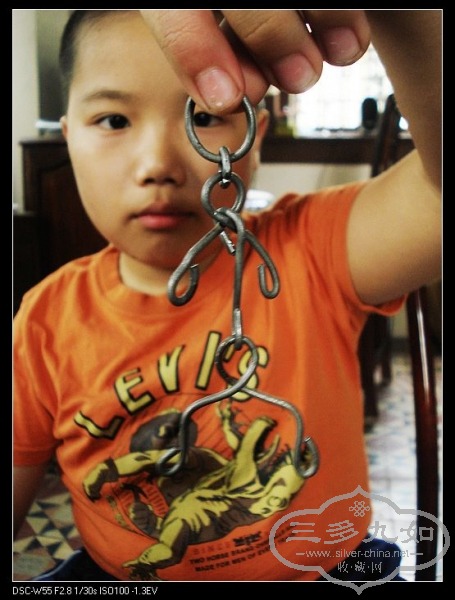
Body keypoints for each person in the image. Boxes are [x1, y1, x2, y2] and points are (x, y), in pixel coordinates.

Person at [13, 9, 441, 583]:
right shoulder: (44, 324)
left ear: (254, 138)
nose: (158, 165)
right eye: (114, 119)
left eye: (205, 116)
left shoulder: (314, 251)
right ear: (70, 139)